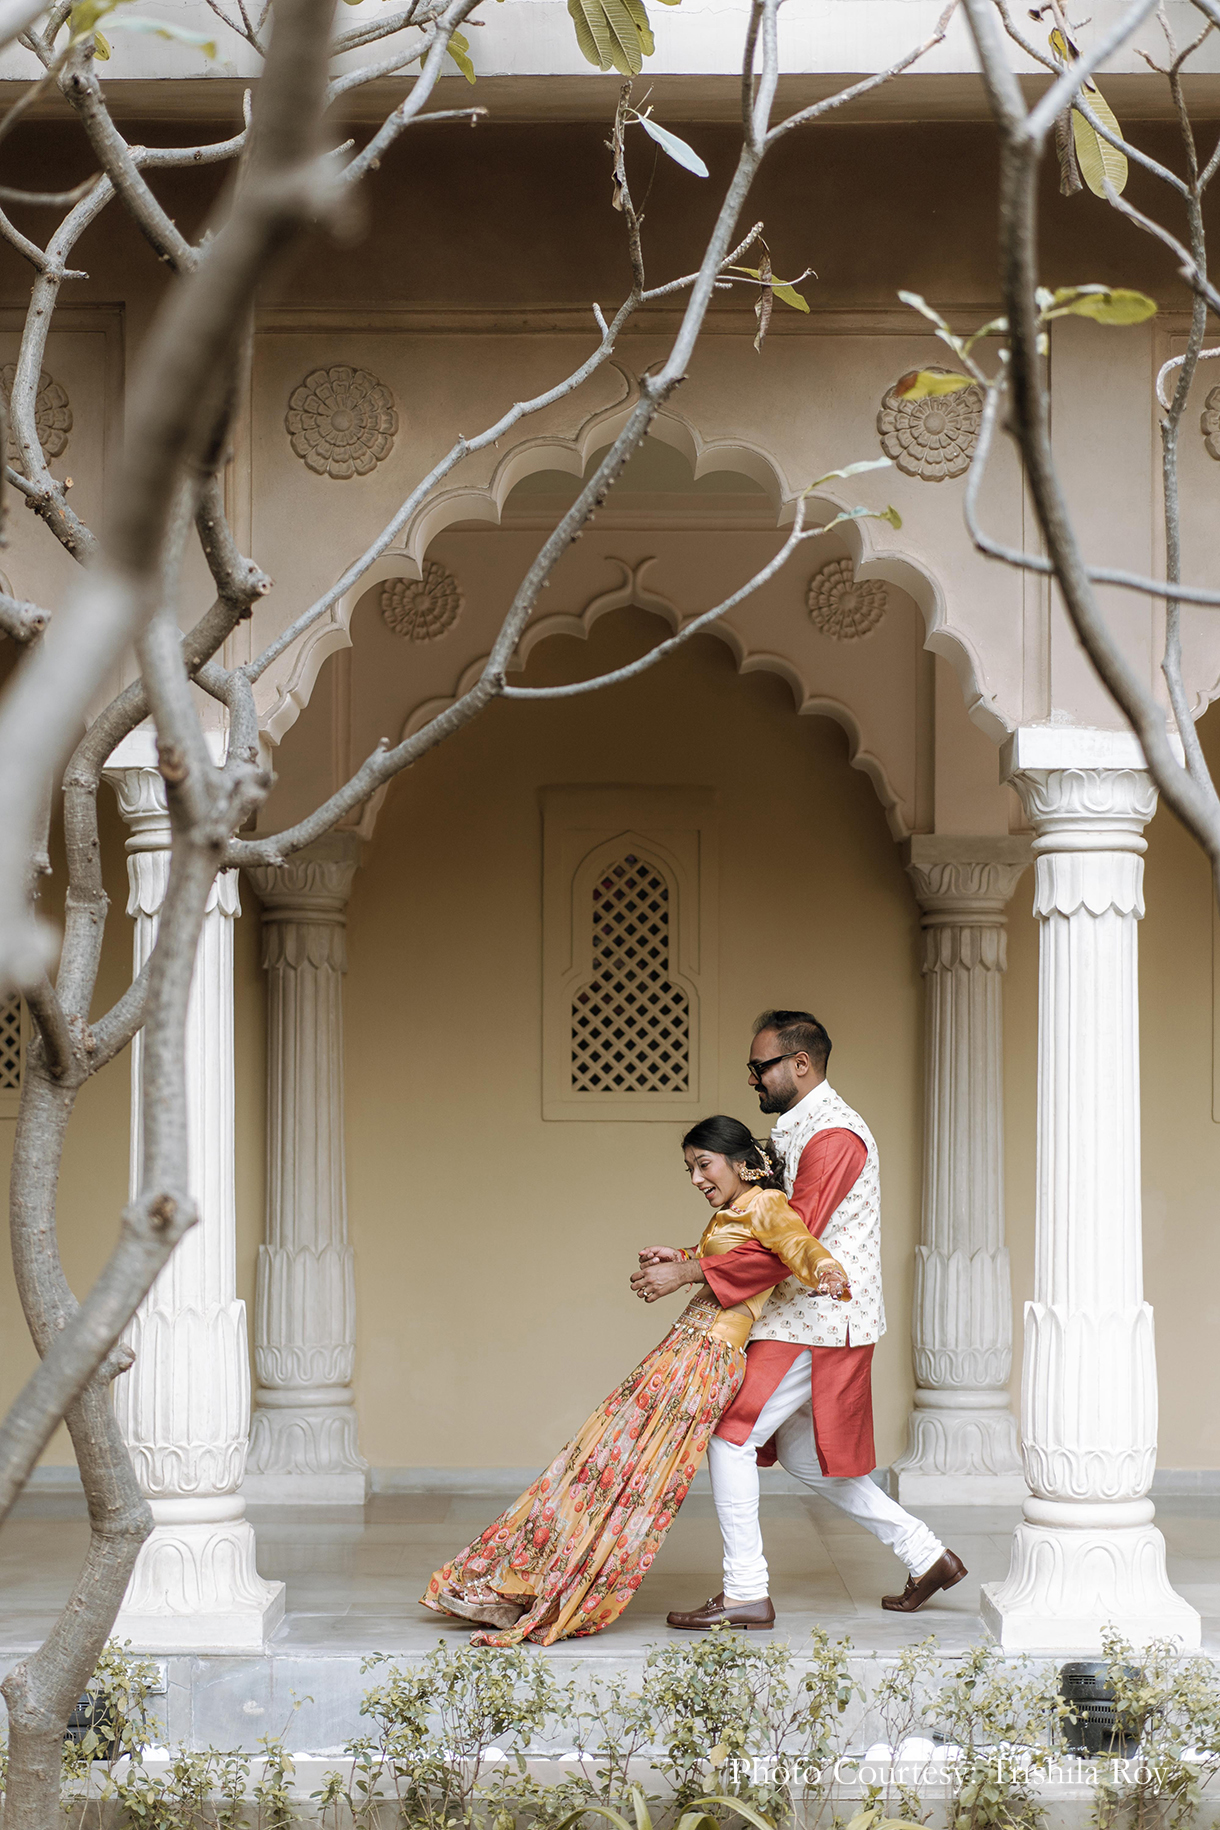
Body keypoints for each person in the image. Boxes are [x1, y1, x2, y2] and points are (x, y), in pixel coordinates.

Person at [420, 1115, 851, 1647]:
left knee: (621, 1471)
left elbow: (795, 1243)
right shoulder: (735, 1212)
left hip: (706, 1354)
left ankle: (554, 1587)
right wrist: (685, 1257)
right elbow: (738, 1258)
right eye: (689, 1168)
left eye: (703, 1165)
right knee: (603, 1462)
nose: (695, 1178)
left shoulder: (764, 1202)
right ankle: (525, 1580)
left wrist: (825, 1269)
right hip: (688, 1348)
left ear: (741, 1163)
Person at [631, 1009, 966, 1629]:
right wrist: (687, 1256)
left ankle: (744, 1593)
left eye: (761, 1066)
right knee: (808, 1461)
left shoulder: (833, 1136)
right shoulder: (798, 1131)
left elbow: (796, 1236)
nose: (754, 1079)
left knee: (731, 1436)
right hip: (801, 1318)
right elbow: (753, 1224)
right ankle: (928, 1556)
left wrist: (688, 1275)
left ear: (800, 1063)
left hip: (812, 1319)